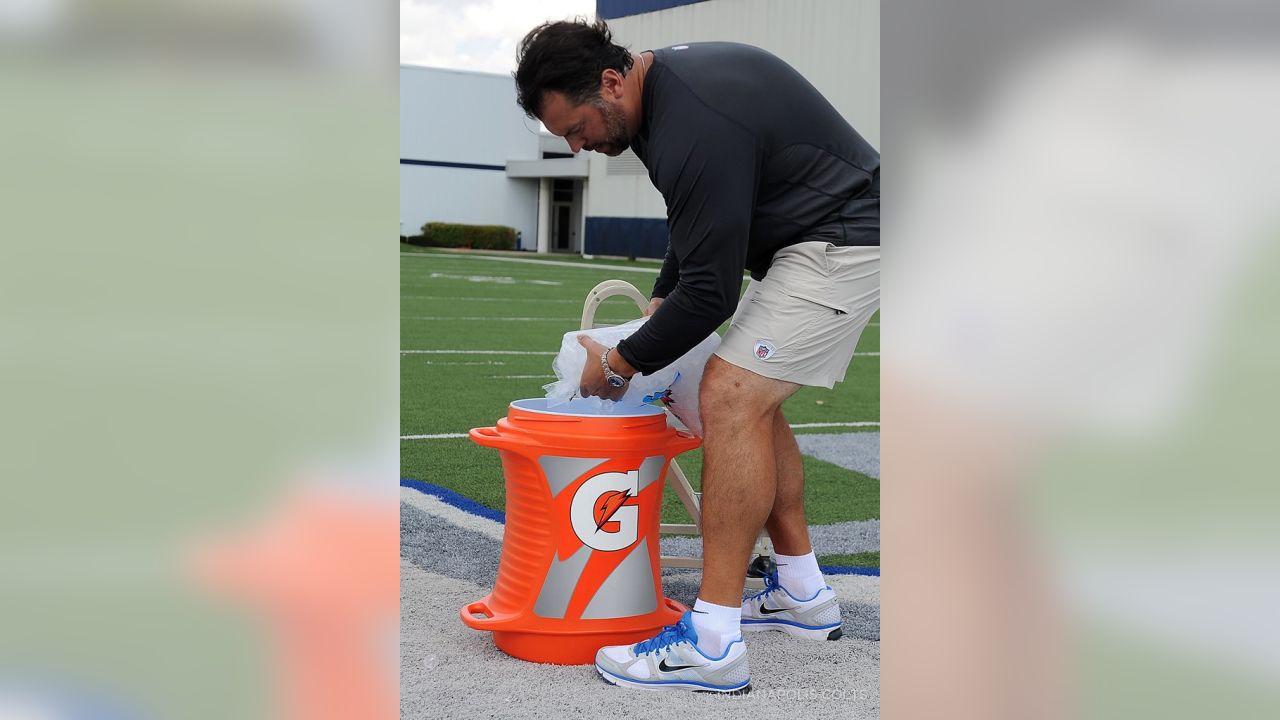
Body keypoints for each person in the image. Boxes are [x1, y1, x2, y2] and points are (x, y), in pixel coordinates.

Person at [514, 18, 879, 694]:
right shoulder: (661, 101)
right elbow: (702, 219)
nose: (577, 146)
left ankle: (712, 644)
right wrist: (660, 297)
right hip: (818, 238)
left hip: (843, 240)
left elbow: (712, 293)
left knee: (730, 396)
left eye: (575, 127)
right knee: (752, 401)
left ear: (611, 81)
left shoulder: (691, 117)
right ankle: (803, 592)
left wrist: (619, 363)